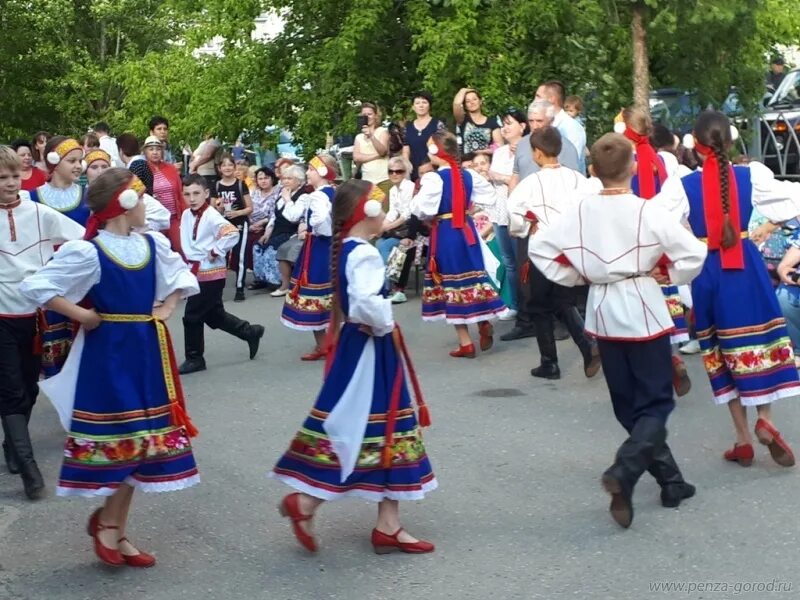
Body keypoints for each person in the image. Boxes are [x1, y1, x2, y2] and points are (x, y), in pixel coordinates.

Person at [19, 168, 200, 566]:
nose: (148, 206)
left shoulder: (151, 244)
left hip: (148, 348)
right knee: (128, 439)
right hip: (110, 354)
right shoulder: (90, 251)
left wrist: (166, 308)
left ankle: (111, 525)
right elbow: (37, 288)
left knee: (145, 442)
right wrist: (82, 317)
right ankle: (109, 525)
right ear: (126, 203)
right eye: (140, 196)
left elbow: (182, 276)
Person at [530, 133, 707, 528]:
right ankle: (625, 472)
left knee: (628, 405)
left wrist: (575, 275)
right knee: (656, 404)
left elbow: (539, 247)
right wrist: (669, 271)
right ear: (634, 167)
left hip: (603, 311)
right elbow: (694, 252)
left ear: (592, 171)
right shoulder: (647, 210)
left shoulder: (579, 211)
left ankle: (671, 481)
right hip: (643, 305)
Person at [270, 179, 436, 555]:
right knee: (365, 424)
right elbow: (364, 302)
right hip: (370, 348)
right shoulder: (363, 254)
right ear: (369, 212)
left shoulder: (345, 249)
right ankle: (309, 502)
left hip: (359, 345)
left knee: (383, 425)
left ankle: (388, 523)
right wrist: (386, 323)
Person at [672, 111, 800, 467]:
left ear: (696, 147)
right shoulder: (751, 176)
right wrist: (774, 224)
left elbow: (658, 223)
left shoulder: (683, 185)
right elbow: (794, 201)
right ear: (729, 142)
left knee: (721, 347)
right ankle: (766, 420)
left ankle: (742, 439)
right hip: (748, 266)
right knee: (756, 342)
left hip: (709, 271)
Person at [0, 146, 84, 499]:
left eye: (14, 176)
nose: (10, 183)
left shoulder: (40, 212)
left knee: (30, 388)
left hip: (35, 315)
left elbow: (82, 240)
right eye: (2, 178)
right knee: (11, 389)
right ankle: (30, 470)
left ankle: (12, 445)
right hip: (0, 315)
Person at [507, 126, 601, 380]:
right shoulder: (577, 179)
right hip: (570, 249)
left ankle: (550, 361)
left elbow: (515, 215)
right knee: (563, 300)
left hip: (542, 250)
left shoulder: (531, 184)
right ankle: (585, 345)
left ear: (537, 153)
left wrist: (525, 226)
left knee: (538, 304)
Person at [619, 107, 693, 397]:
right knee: (663, 292)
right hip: (660, 233)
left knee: (636, 299)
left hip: (634, 233)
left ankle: (650, 369)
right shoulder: (662, 159)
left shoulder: (625, 157)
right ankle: (672, 354)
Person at [412, 131, 505, 357]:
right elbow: (491, 198)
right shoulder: (469, 176)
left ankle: (465, 342)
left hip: (446, 233)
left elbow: (421, 209)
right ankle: (482, 320)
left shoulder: (434, 178)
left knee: (451, 284)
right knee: (473, 276)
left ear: (437, 151)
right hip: (466, 230)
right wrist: (466, 207)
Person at [502, 101, 580, 342]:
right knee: (538, 291)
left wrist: (520, 223)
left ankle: (559, 351)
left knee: (547, 293)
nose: (534, 126)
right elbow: (515, 181)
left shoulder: (565, 151)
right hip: (538, 231)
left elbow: (515, 210)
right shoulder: (524, 146)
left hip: (550, 233)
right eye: (531, 121)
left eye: (540, 121)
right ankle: (532, 326)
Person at [177, 175, 265, 374]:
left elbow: (232, 233)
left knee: (192, 315)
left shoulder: (211, 215)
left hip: (211, 272)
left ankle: (195, 358)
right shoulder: (186, 215)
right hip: (196, 271)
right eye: (187, 194)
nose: (192, 198)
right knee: (213, 315)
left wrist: (216, 250)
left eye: (196, 193)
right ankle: (250, 332)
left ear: (206, 194)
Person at [29, 136, 90, 377]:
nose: (78, 166)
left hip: (82, 276)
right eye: (72, 160)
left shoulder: (88, 196)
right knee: (53, 338)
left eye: (80, 161)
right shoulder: (32, 198)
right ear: (54, 161)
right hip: (50, 275)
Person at [280, 155, 338, 359]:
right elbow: (295, 215)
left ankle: (325, 344)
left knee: (315, 293)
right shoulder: (328, 193)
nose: (307, 173)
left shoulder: (319, 196)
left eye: (311, 170)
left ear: (322, 172)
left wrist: (315, 229)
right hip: (327, 247)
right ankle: (329, 344)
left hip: (319, 248)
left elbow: (321, 221)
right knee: (328, 295)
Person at [487, 109, 529, 319]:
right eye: (503, 123)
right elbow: (491, 176)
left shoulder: (529, 149)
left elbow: (519, 180)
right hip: (499, 210)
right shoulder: (499, 152)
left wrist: (501, 177)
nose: (505, 127)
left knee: (522, 261)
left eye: (509, 123)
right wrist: (503, 178)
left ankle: (528, 307)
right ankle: (515, 304)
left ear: (522, 126)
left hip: (518, 212)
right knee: (509, 261)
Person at [84, 149, 170, 233]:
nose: (100, 171)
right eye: (94, 167)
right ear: (86, 171)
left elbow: (162, 215)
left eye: (104, 167)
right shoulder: (81, 196)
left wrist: (139, 228)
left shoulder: (126, 191)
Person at [376, 156, 416, 304]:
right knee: (379, 242)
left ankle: (388, 286)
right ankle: (387, 284)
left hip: (412, 229)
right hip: (401, 228)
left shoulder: (410, 187)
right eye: (391, 171)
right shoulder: (393, 189)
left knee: (385, 244)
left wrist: (386, 227)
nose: (394, 174)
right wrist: (381, 227)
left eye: (398, 171)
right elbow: (393, 212)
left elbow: (407, 214)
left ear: (405, 172)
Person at [214, 154, 253, 301]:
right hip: (223, 225)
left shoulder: (240, 184)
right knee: (221, 255)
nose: (227, 168)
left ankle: (239, 288)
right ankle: (217, 289)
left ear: (234, 167)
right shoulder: (217, 186)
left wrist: (237, 212)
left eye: (230, 165)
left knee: (240, 255)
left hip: (240, 224)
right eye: (224, 165)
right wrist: (220, 208)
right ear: (219, 168)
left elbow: (250, 208)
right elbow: (212, 208)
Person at [269, 166, 307, 297]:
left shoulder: (303, 195)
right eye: (284, 178)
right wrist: (268, 230)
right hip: (278, 229)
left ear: (299, 181)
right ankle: (269, 281)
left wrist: (288, 199)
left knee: (283, 248)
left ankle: (287, 284)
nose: (285, 181)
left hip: (293, 231)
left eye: (290, 178)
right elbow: (274, 215)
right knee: (260, 245)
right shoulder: (282, 193)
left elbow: (294, 217)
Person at [535, 81, 587, 173]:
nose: (535, 101)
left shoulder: (571, 127)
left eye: (538, 96)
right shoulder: (543, 124)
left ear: (551, 99)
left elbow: (571, 162)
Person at [145, 135, 184, 255]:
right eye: (151, 149)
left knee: (180, 248)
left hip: (173, 217)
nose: (155, 152)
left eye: (158, 149)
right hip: (154, 220)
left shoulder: (170, 168)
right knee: (158, 252)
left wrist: (184, 215)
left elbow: (180, 193)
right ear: (145, 152)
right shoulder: (142, 169)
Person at [247, 167, 280, 290]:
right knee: (245, 240)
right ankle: (258, 276)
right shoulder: (253, 192)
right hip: (251, 223)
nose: (263, 181)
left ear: (272, 179)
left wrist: (262, 223)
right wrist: (250, 224)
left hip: (269, 224)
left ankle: (265, 277)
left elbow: (274, 214)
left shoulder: (278, 192)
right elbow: (248, 208)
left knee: (257, 242)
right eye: (260, 178)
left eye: (266, 178)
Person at [403, 91, 446, 181]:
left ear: (429, 105)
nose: (421, 105)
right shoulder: (408, 127)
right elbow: (406, 149)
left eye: (424, 102)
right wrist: (406, 162)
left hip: (434, 169)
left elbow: (444, 148)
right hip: (414, 170)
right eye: (417, 103)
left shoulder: (438, 124)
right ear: (413, 107)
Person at [354, 102, 390, 194]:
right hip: (367, 181)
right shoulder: (359, 137)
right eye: (364, 115)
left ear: (376, 116)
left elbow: (382, 151)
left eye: (369, 114)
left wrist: (371, 136)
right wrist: (377, 155)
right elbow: (357, 157)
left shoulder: (382, 131)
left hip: (383, 179)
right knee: (370, 207)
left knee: (384, 207)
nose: (367, 117)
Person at [452, 88, 502, 155]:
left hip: (486, 162)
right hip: (467, 162)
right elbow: (456, 104)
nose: (472, 102)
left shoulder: (492, 122)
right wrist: (464, 90)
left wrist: (482, 152)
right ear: (465, 106)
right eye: (468, 101)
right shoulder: (463, 119)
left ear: (480, 101)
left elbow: (500, 146)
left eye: (474, 99)